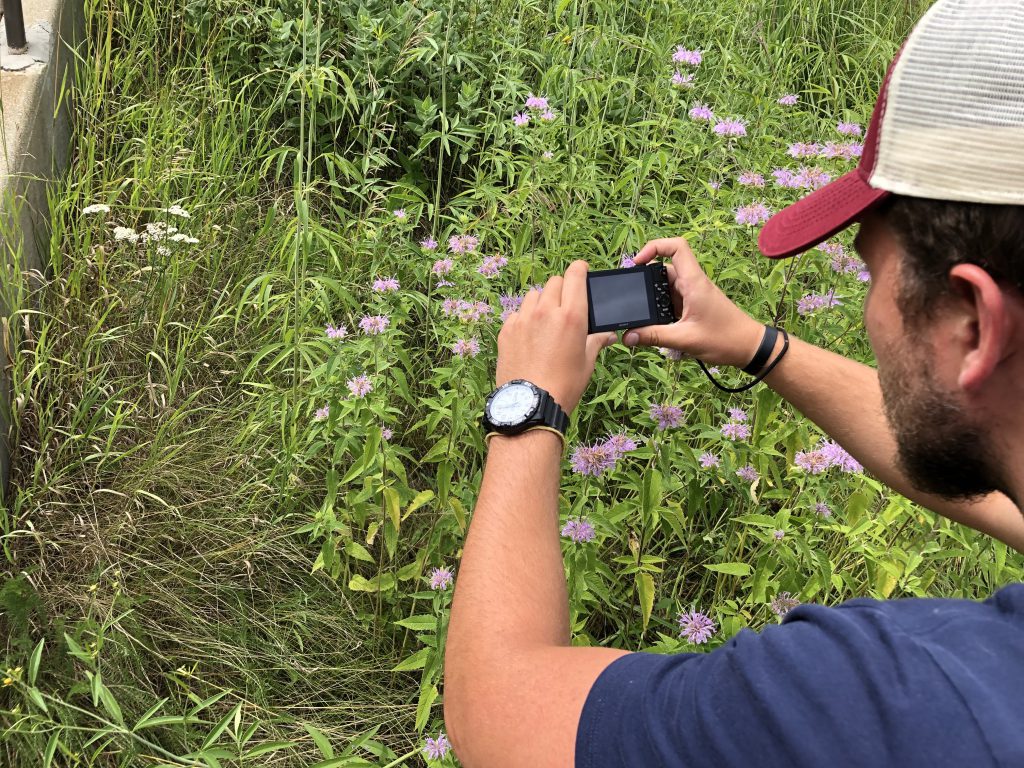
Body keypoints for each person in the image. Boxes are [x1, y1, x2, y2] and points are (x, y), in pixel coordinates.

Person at [443, 0, 1024, 765]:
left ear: (974, 325)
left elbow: (496, 707)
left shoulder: (889, 699)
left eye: (869, 268)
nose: (868, 303)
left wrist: (527, 409)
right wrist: (757, 347)